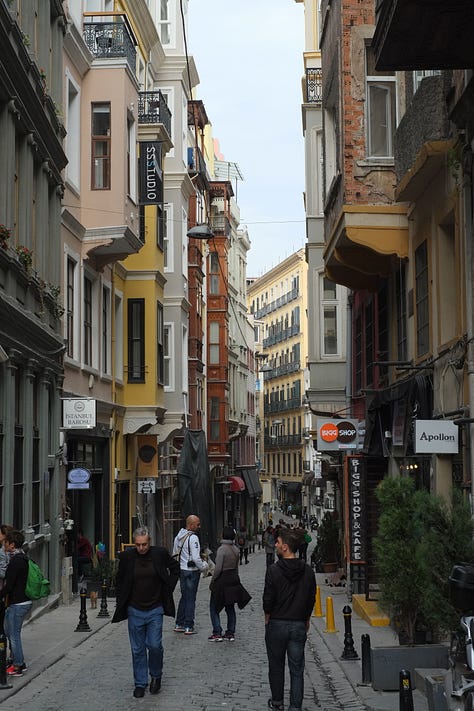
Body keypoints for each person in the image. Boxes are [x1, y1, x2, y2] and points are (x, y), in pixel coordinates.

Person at [111, 526, 179, 699]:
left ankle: (156, 676)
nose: (141, 548)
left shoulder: (159, 554)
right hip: (135, 609)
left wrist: (169, 588)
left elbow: (175, 568)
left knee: (155, 645)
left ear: (149, 542)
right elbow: (119, 579)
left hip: (155, 608)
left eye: (144, 544)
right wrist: (122, 600)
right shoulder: (127, 557)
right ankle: (140, 683)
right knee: (137, 649)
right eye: (138, 545)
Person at [263, 527, 316, 711]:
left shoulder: (273, 570)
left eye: (277, 542)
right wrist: (306, 618)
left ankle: (277, 702)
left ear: (285, 547)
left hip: (277, 623)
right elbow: (311, 598)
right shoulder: (308, 571)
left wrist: (267, 616)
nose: (275, 545)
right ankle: (295, 705)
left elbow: (268, 598)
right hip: (298, 624)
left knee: (276, 665)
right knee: (297, 668)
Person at [208, 526, 250, 642]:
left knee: (214, 607)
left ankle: (217, 631)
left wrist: (213, 580)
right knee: (230, 607)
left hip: (222, 580)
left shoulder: (222, 549)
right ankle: (230, 632)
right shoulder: (236, 549)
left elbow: (218, 569)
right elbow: (236, 567)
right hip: (233, 579)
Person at [1, 530, 31, 677]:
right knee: (9, 631)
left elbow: (9, 585)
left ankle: (18, 665)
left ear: (11, 545)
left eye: (5, 542)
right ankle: (15, 660)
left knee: (14, 635)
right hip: (19, 602)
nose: (3, 544)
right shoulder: (20, 557)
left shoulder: (16, 561)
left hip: (18, 603)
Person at [173, 514, 208, 635]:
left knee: (184, 597)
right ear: (191, 525)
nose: (199, 526)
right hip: (192, 571)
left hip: (182, 570)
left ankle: (179, 623)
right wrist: (204, 567)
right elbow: (195, 557)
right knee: (191, 598)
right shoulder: (193, 538)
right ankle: (188, 625)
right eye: (197, 524)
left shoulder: (178, 536)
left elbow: (174, 553)